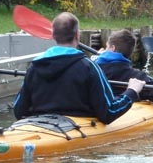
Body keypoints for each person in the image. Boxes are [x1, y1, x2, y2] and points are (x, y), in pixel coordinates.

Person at [13, 12, 145, 124]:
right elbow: (109, 112)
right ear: (77, 35)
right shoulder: (89, 67)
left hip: (39, 126)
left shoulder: (34, 67)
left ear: (53, 36)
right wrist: (131, 92)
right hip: (76, 130)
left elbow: (19, 111)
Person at [95, 29, 153, 106]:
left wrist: (96, 59)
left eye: (107, 47)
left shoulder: (93, 67)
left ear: (112, 48)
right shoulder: (138, 77)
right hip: (118, 109)